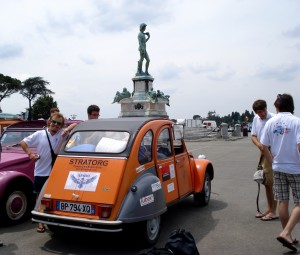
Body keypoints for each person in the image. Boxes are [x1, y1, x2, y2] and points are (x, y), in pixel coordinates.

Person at [19, 113, 75, 233]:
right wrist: (30, 154)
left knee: (55, 196)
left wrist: (67, 130)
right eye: (54, 122)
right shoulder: (40, 134)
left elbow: (75, 124)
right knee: (39, 197)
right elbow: (23, 142)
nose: (55, 125)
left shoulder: (62, 134)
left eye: (59, 123)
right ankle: (40, 222)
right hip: (40, 172)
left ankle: (53, 218)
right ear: (49, 121)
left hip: (55, 172)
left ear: (61, 126)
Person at [260, 94, 300, 252]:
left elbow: (264, 146)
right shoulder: (297, 122)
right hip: (296, 167)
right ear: (292, 106)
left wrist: (273, 161)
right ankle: (286, 232)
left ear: (277, 107)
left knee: (283, 201)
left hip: (278, 167)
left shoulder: (270, 122)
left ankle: (287, 235)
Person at [251, 99, 278, 221]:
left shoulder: (274, 118)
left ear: (266, 109)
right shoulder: (256, 119)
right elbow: (253, 135)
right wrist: (259, 145)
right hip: (262, 151)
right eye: (257, 113)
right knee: (266, 182)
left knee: (271, 182)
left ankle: (273, 211)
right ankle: (269, 208)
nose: (260, 115)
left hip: (272, 152)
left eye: (261, 112)